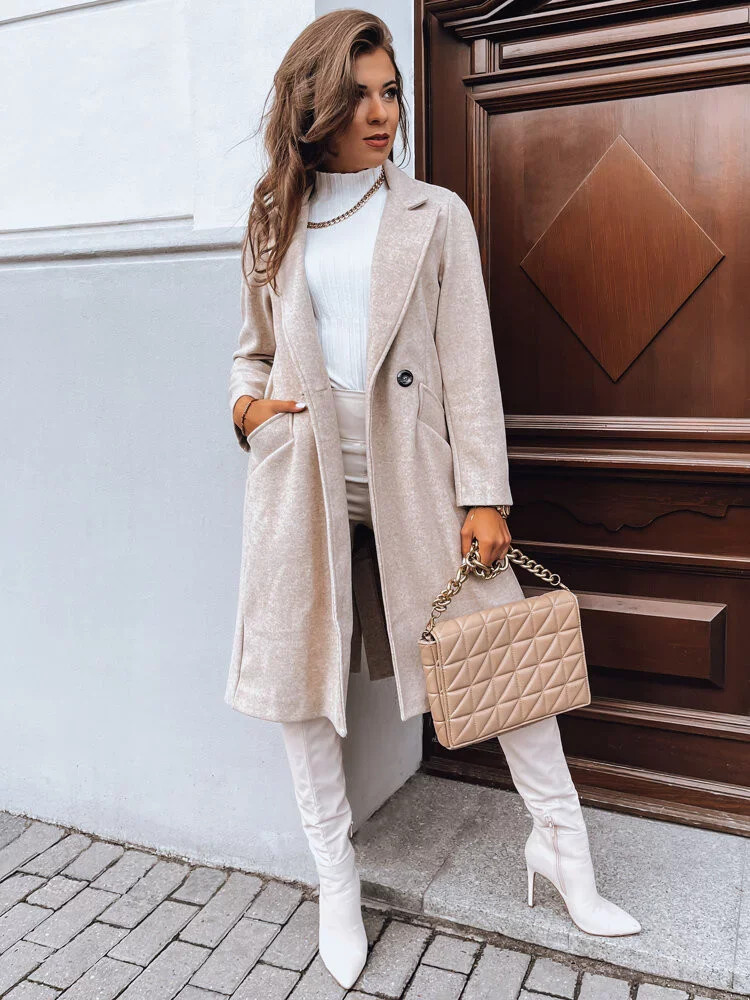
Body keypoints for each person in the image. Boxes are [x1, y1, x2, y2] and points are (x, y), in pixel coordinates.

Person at [228, 9, 641, 990]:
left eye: (391, 92)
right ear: (314, 107)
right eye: (358, 96)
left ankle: (563, 850)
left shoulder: (434, 212)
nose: (381, 114)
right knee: (301, 678)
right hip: (304, 468)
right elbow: (250, 349)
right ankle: (335, 875)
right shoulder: (273, 216)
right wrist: (248, 410)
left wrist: (484, 493)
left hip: (415, 468)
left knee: (502, 654)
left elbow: (469, 363)